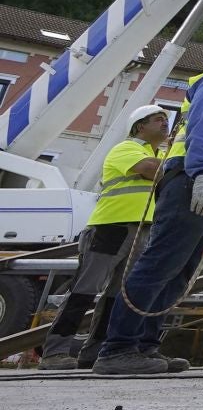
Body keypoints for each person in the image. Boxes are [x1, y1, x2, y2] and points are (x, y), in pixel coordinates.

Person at [92, 23, 203, 376]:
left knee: (179, 269)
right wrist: (202, 175)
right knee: (161, 263)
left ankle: (145, 347)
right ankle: (118, 349)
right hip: (195, 179)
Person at [38, 106, 170, 370]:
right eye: (159, 120)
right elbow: (150, 169)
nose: (166, 124)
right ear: (139, 127)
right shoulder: (127, 149)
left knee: (118, 296)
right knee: (83, 291)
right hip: (111, 227)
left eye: (167, 120)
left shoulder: (159, 154)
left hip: (140, 230)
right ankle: (54, 353)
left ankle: (94, 352)